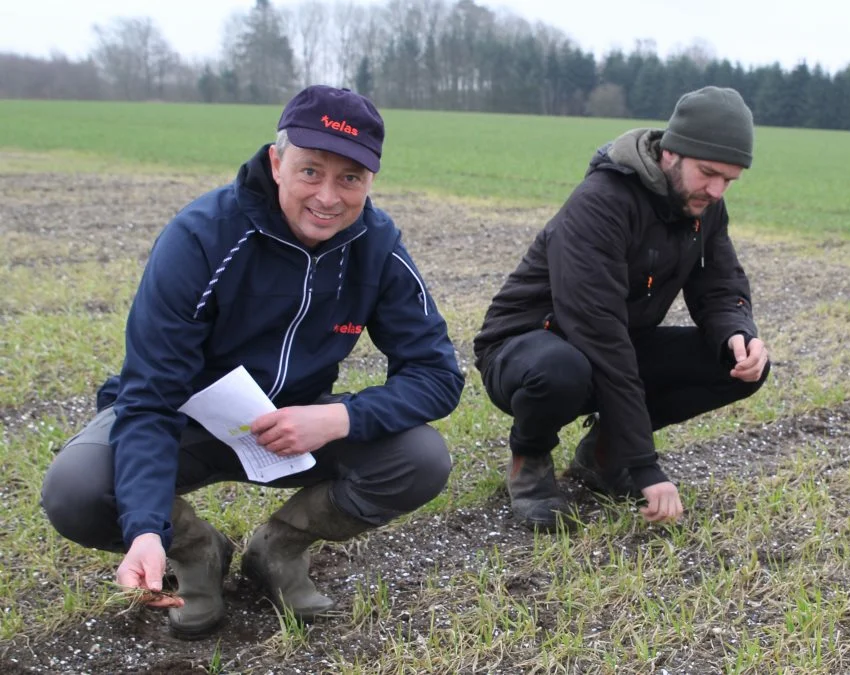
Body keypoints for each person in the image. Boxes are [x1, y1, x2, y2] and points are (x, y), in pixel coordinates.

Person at [40, 85, 464, 639]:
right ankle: (196, 553)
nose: (329, 197)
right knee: (76, 489)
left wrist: (336, 419)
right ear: (276, 162)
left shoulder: (377, 247)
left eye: (350, 178)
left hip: (293, 427)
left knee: (420, 459)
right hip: (186, 421)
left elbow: (437, 375)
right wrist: (146, 530)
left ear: (371, 181)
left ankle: (278, 550)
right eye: (311, 171)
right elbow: (149, 397)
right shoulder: (201, 238)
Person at [473, 86, 770, 532]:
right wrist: (646, 464)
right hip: (528, 348)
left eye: (729, 180)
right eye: (708, 173)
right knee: (561, 369)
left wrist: (737, 331)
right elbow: (599, 333)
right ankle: (529, 458)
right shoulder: (602, 203)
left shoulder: (703, 207)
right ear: (671, 153)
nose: (716, 190)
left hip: (613, 342)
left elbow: (720, 284)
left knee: (736, 364)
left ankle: (603, 456)